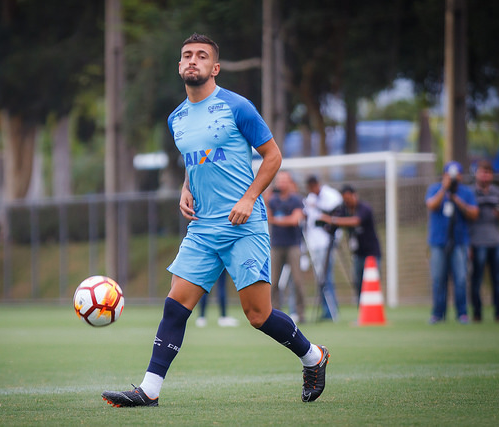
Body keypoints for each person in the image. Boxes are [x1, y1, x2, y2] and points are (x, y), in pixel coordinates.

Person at [101, 33, 329, 408]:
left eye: (201, 56)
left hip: (244, 225)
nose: (193, 60)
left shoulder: (238, 107)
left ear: (215, 67)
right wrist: (185, 187)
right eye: (187, 55)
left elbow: (273, 157)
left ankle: (314, 357)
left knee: (258, 315)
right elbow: (198, 158)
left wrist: (249, 197)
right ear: (179, 66)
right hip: (203, 228)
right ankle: (149, 390)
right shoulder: (176, 118)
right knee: (175, 305)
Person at [425, 161, 479, 324]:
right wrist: (444, 189)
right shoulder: (435, 188)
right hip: (438, 242)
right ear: (444, 175)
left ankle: (462, 313)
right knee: (438, 279)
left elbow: (474, 213)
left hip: (460, 242)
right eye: (449, 175)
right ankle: (438, 314)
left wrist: (456, 199)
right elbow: (431, 205)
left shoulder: (466, 192)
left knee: (461, 279)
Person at [318, 184, 381, 303]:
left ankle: (373, 311)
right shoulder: (344, 209)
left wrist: (331, 220)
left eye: (348, 199)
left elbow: (355, 221)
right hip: (357, 254)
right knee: (358, 284)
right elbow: (334, 221)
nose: (347, 202)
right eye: (345, 200)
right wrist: (328, 223)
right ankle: (361, 312)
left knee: (371, 284)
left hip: (371, 253)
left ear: (354, 195)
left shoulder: (364, 208)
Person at [469, 160, 499, 322]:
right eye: (482, 172)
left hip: (496, 241)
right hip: (477, 241)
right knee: (476, 280)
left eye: (488, 173)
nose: (485, 176)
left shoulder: (498, 192)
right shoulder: (470, 192)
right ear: (476, 173)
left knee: (498, 280)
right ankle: (477, 314)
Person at [266, 170, 306, 323]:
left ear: (290, 183)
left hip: (293, 246)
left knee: (297, 281)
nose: (281, 183)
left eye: (284, 180)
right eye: (279, 180)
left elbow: (295, 220)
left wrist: (275, 220)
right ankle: (274, 314)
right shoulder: (272, 199)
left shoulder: (296, 200)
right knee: (273, 282)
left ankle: (300, 314)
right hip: (276, 245)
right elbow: (265, 214)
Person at [303, 175, 342, 320]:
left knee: (327, 277)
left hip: (327, 242)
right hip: (314, 243)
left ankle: (331, 311)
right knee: (320, 278)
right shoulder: (310, 198)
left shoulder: (332, 196)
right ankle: (326, 310)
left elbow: (336, 215)